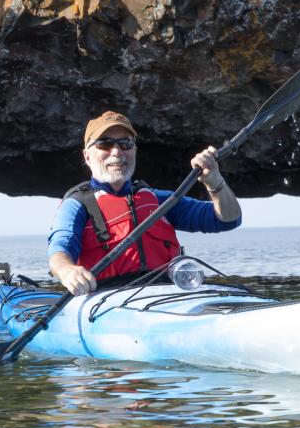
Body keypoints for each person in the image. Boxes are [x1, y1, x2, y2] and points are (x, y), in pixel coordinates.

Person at [48, 111, 241, 296]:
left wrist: (215, 182)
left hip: (167, 295)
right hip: (106, 299)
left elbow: (228, 219)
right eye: (105, 144)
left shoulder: (160, 200)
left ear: (134, 151)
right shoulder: (76, 205)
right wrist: (67, 271)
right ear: (87, 156)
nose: (116, 152)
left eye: (125, 144)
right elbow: (59, 249)